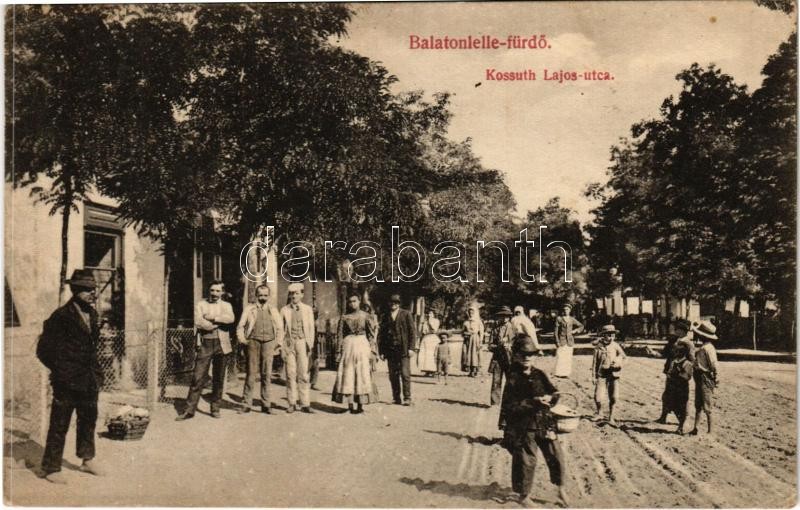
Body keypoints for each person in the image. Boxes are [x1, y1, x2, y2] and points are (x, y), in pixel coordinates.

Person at [36, 269, 105, 483]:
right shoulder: (61, 316)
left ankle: (86, 459)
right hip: (67, 381)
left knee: (88, 420)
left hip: (89, 379)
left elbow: (92, 347)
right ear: (75, 290)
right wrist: (62, 371)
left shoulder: (92, 314)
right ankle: (51, 468)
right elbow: (43, 350)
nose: (92, 293)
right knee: (60, 424)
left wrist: (96, 373)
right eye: (87, 289)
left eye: (93, 289)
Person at [499, 335, 569, 508]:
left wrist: (552, 398)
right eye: (523, 354)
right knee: (526, 460)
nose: (527, 357)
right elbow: (510, 406)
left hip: (545, 422)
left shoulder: (539, 374)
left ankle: (560, 490)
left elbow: (553, 391)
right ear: (515, 355)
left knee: (556, 456)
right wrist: (533, 402)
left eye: (530, 354)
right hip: (525, 426)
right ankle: (524, 495)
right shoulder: (513, 378)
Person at [177, 280, 235, 420]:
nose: (214, 293)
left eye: (217, 291)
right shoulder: (201, 304)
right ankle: (189, 410)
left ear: (222, 292)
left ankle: (215, 408)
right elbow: (198, 321)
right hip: (205, 344)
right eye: (212, 290)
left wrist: (212, 318)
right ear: (209, 291)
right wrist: (214, 325)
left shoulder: (226, 305)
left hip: (222, 344)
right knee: (197, 377)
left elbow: (230, 319)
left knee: (218, 378)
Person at [236, 284, 284, 414]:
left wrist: (278, 343)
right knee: (251, 374)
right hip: (253, 342)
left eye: (265, 295)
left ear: (269, 296)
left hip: (269, 342)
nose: (263, 297)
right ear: (256, 295)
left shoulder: (273, 310)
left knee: (266, 374)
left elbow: (280, 328)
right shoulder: (249, 309)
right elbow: (240, 326)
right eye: (260, 295)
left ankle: (266, 404)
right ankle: (246, 404)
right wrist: (243, 340)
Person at [332, 293, 377, 414]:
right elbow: (340, 335)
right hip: (348, 347)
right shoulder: (344, 317)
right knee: (348, 374)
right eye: (350, 302)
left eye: (354, 301)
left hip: (362, 346)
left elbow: (371, 335)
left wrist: (373, 350)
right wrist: (338, 351)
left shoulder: (366, 316)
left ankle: (360, 406)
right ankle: (350, 405)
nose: (352, 304)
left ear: (359, 301)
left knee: (361, 374)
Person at [281, 282, 316, 414]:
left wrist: (310, 345)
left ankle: (305, 403)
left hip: (302, 342)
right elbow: (281, 329)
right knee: (290, 373)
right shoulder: (284, 310)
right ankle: (292, 403)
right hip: (289, 343)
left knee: (303, 374)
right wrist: (282, 346)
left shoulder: (307, 309)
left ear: (302, 294)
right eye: (292, 294)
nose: (294, 296)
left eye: (296, 293)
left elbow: (311, 328)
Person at [378, 294, 417, 406]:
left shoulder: (406, 314)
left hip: (403, 349)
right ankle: (396, 398)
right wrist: (382, 351)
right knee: (393, 375)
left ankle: (407, 398)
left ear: (399, 304)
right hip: (391, 350)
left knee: (405, 373)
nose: (393, 304)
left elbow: (412, 332)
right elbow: (381, 335)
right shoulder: (385, 316)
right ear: (389, 303)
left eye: (396, 302)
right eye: (391, 302)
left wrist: (411, 348)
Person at [656, 318, 695, 424]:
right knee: (666, 396)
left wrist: (683, 368)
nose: (674, 330)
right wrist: (654, 353)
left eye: (676, 328)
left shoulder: (688, 343)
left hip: (680, 374)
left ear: (682, 330)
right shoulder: (674, 340)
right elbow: (665, 354)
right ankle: (663, 417)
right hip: (671, 372)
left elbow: (692, 360)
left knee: (681, 399)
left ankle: (683, 422)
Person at [591, 324, 626, 424]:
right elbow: (594, 363)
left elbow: (624, 357)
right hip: (602, 374)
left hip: (614, 375)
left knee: (614, 397)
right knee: (598, 397)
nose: (611, 337)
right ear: (604, 335)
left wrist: (619, 363)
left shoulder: (615, 346)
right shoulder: (598, 347)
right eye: (609, 335)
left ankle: (611, 417)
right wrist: (593, 376)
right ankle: (599, 413)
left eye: (613, 335)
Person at [690, 320, 719, 436]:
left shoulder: (708, 348)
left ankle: (710, 430)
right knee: (698, 404)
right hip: (699, 377)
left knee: (707, 404)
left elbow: (714, 365)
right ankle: (695, 428)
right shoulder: (704, 348)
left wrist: (715, 378)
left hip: (705, 377)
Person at [489, 306, 516, 406]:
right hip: (497, 358)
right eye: (502, 316)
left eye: (507, 316)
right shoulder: (495, 329)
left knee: (511, 381)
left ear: (509, 317)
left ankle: (510, 402)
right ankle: (494, 402)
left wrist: (510, 345)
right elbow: (490, 346)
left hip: (510, 358)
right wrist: (498, 346)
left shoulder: (514, 329)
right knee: (496, 381)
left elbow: (518, 344)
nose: (504, 318)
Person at [553, 304, 584, 378]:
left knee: (568, 357)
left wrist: (575, 331)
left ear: (570, 310)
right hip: (562, 340)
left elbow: (581, 326)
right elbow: (555, 332)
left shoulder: (572, 319)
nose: (565, 311)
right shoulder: (559, 319)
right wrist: (557, 341)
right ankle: (559, 373)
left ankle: (566, 373)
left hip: (570, 341)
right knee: (561, 356)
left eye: (567, 309)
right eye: (564, 310)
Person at [461, 306, 484, 377]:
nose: (471, 314)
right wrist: (466, 334)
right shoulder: (466, 322)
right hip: (468, 340)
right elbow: (462, 332)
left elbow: (481, 332)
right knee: (468, 354)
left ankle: (476, 370)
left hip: (475, 339)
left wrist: (480, 341)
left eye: (472, 312)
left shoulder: (478, 322)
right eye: (469, 312)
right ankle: (470, 370)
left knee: (475, 354)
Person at [417, 310, 441, 376]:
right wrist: (421, 324)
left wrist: (430, 321)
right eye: (428, 313)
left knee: (431, 354)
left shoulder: (436, 321)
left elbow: (434, 329)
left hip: (432, 338)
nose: (429, 314)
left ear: (434, 314)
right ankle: (427, 370)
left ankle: (433, 370)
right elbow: (422, 331)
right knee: (425, 354)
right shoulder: (425, 322)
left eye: (431, 313)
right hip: (426, 338)